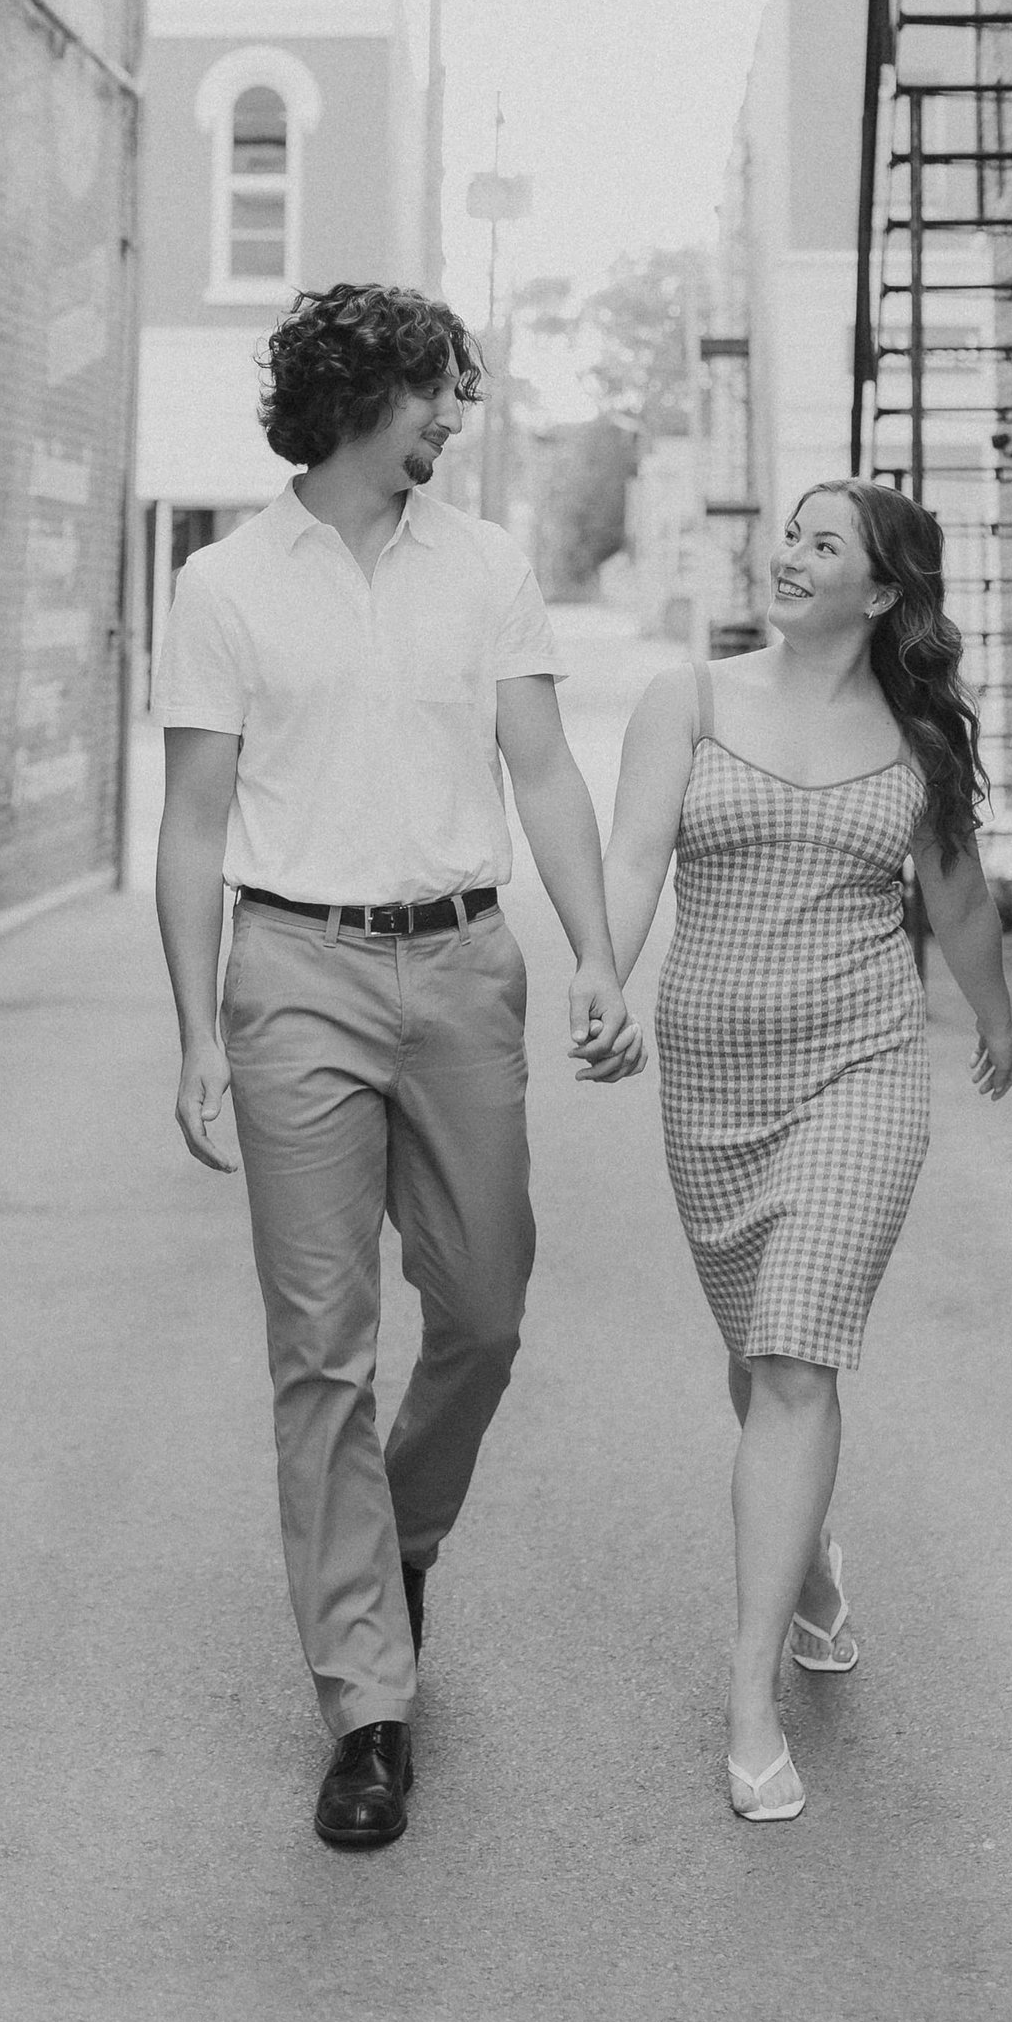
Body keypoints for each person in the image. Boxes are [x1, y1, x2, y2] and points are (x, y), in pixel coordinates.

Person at [152, 282, 641, 1856]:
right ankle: (367, 1703)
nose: (452, 417)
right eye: (434, 391)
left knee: (486, 1305)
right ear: (357, 396)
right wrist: (191, 1033)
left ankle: (401, 1531)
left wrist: (598, 952)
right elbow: (191, 825)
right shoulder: (225, 583)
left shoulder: (485, 565)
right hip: (292, 968)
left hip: (461, 960)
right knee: (320, 1345)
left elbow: (549, 767)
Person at [602, 478, 1012, 1824]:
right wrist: (597, 970)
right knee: (756, 1357)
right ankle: (814, 1558)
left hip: (862, 1070)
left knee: (794, 1355)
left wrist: (1001, 1014)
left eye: (822, 543)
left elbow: (954, 891)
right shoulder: (693, 700)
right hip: (714, 1082)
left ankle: (748, 1692)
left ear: (883, 589)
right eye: (788, 534)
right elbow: (634, 852)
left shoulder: (914, 740)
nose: (789, 554)